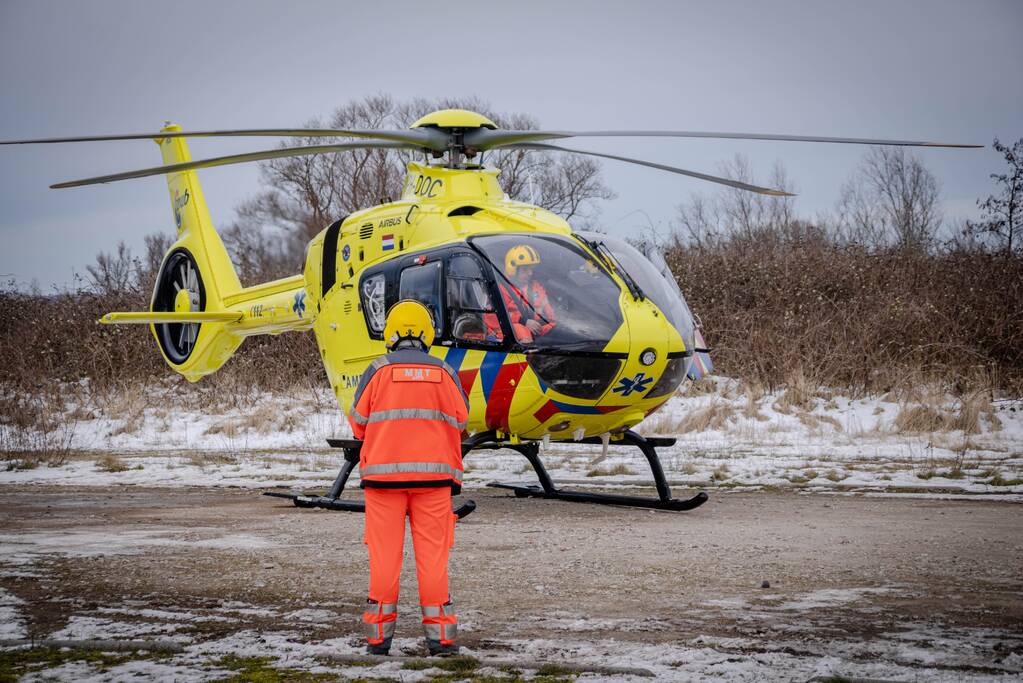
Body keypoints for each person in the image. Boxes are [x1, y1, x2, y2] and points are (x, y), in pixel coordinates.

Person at [347, 300, 469, 656]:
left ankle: (378, 640)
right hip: (434, 482)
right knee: (433, 562)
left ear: (391, 333)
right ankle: (441, 639)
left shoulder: (377, 370)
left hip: (383, 483)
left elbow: (358, 422)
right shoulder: (445, 371)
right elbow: (462, 419)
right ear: (427, 333)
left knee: (384, 561)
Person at [500, 243, 557, 344]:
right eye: (525, 269)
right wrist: (523, 321)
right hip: (514, 332)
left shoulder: (535, 286)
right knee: (521, 331)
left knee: (561, 331)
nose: (530, 273)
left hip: (537, 329)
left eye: (531, 269)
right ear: (513, 269)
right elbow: (495, 317)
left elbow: (548, 310)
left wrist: (557, 322)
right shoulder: (501, 289)